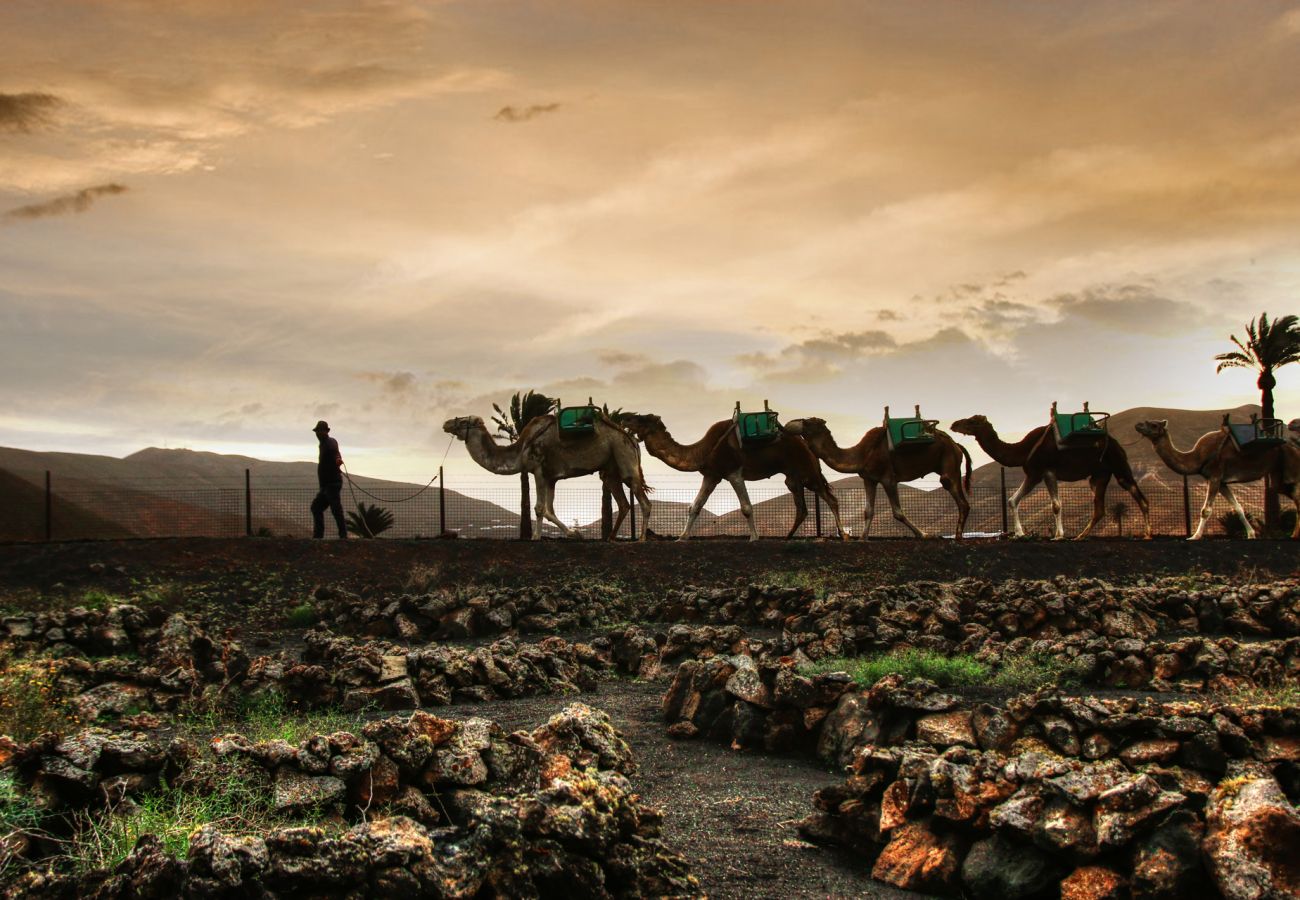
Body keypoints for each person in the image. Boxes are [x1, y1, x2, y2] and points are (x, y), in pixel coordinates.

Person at [310, 420, 348, 539]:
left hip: (332, 483)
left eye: (320, 431)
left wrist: (337, 459)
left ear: (326, 431)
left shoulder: (330, 442)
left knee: (334, 509)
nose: (318, 433)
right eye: (317, 431)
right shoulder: (323, 444)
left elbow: (336, 452)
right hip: (327, 485)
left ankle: (341, 536)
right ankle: (320, 536)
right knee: (318, 508)